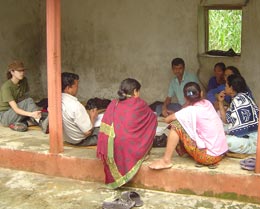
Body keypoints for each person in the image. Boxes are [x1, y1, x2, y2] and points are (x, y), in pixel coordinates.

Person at [149, 82, 228, 170]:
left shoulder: (189, 110)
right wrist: (180, 112)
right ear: (201, 93)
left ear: (185, 97)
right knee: (185, 123)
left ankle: (166, 161)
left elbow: (167, 120)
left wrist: (178, 113)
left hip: (209, 157)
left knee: (176, 124)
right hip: (221, 152)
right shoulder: (207, 103)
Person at [97, 78, 157, 189]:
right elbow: (152, 118)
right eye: (138, 91)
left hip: (110, 147)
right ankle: (142, 154)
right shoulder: (140, 103)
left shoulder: (113, 103)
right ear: (135, 91)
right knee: (153, 121)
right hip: (127, 147)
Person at [217, 74, 259, 154]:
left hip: (251, 140)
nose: (224, 87)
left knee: (224, 140)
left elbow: (226, 121)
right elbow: (226, 120)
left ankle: (250, 149)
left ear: (232, 88)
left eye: (226, 85)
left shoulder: (238, 100)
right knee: (222, 127)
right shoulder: (245, 97)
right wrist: (220, 102)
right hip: (254, 137)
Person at [0, 60, 43, 131]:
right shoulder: (6, 87)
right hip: (5, 116)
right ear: (12, 72)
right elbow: (16, 109)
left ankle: (25, 122)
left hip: (16, 113)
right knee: (29, 102)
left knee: (32, 105)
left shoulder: (24, 81)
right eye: (19, 71)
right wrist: (31, 114)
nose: (22, 73)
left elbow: (24, 100)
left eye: (23, 70)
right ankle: (39, 121)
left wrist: (34, 110)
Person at [61, 72, 99, 146]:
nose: (77, 88)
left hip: (67, 138)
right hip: (79, 141)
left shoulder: (56, 102)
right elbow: (88, 132)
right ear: (68, 88)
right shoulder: (76, 106)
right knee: (106, 129)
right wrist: (93, 117)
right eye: (76, 86)